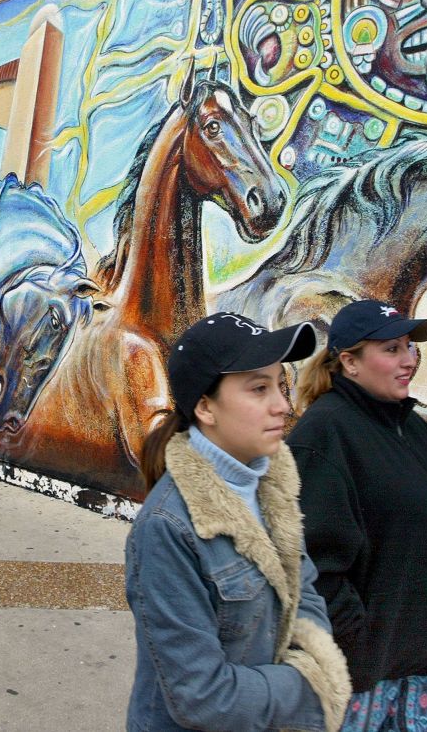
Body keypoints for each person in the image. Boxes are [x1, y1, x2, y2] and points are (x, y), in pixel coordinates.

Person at [126, 312, 351, 732]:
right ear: (205, 407)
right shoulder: (168, 528)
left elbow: (304, 594)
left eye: (280, 385)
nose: (283, 404)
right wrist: (312, 683)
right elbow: (203, 698)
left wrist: (310, 654)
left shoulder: (272, 486)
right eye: (259, 388)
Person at [288, 300, 427, 731]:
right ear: (349, 361)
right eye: (391, 349)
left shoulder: (412, 426)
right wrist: (360, 641)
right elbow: (308, 564)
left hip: (423, 669)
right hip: (364, 681)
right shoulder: (324, 434)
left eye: (410, 347)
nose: (409, 360)